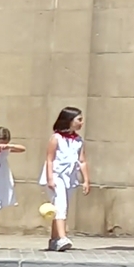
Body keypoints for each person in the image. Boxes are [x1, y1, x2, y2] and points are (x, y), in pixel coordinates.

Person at [41, 106, 86, 251]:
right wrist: (50, 178)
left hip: (70, 178)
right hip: (56, 176)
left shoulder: (78, 140)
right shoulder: (56, 138)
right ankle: (62, 237)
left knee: (59, 206)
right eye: (79, 119)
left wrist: (85, 179)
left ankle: (54, 239)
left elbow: (82, 161)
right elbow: (50, 159)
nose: (81, 122)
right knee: (61, 205)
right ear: (69, 121)